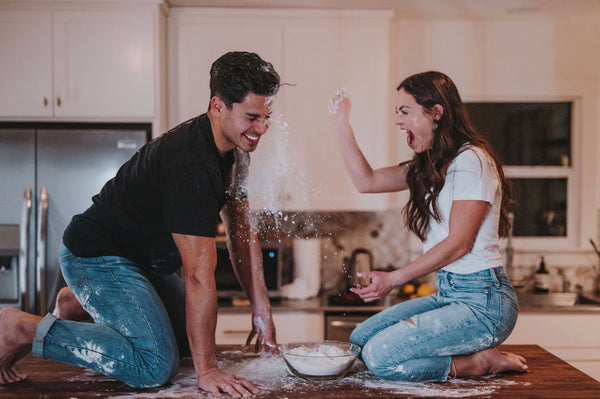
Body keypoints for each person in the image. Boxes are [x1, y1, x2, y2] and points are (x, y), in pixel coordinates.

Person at [0, 51, 281, 397]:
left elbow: (240, 232)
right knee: (153, 365)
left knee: (182, 345)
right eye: (252, 117)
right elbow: (196, 274)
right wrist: (207, 371)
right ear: (218, 105)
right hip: (97, 256)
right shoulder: (189, 163)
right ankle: (20, 327)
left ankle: (75, 305)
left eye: (267, 116)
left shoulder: (236, 151)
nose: (261, 129)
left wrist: (260, 307)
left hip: (145, 264)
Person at [328, 71, 528, 382]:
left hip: (485, 303)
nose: (398, 121)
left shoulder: (472, 162)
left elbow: (460, 243)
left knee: (381, 358)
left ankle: (477, 363)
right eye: (398, 112)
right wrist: (342, 124)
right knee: (359, 342)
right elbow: (365, 181)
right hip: (449, 294)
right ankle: (471, 356)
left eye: (405, 112)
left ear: (436, 113)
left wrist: (395, 277)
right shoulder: (429, 166)